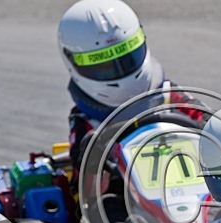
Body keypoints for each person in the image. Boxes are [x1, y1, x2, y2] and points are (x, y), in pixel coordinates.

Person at [57, 0, 204, 177]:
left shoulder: (167, 94)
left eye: (127, 58)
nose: (118, 69)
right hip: (126, 190)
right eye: (103, 65)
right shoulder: (85, 119)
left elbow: (205, 117)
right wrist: (93, 157)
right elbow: (83, 178)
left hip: (194, 181)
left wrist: (211, 126)